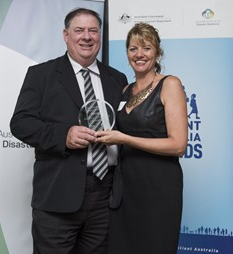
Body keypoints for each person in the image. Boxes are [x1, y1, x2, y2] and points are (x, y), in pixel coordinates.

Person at [10, 8, 127, 254]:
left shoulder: (117, 79)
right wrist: (63, 135)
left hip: (105, 198)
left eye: (93, 30)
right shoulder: (41, 75)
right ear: (66, 35)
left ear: (100, 35)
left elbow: (125, 130)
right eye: (79, 30)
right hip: (58, 197)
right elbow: (20, 123)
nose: (87, 36)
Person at [96, 22, 188, 254]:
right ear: (127, 53)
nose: (139, 55)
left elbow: (178, 145)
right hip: (125, 190)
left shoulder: (170, 84)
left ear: (157, 52)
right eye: (133, 48)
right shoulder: (125, 90)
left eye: (146, 48)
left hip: (158, 189)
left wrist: (125, 138)